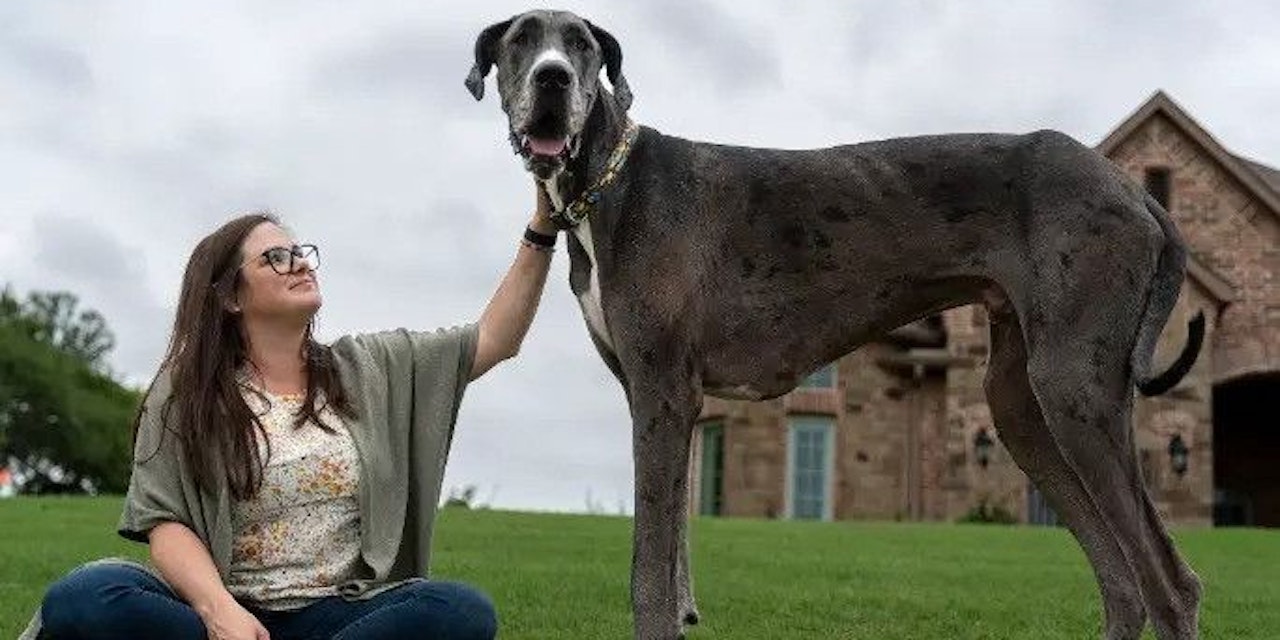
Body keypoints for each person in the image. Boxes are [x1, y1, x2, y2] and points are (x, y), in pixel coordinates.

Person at [29, 183, 559, 639]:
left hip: (340, 616)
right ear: (230, 297)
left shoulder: (370, 368)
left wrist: (542, 227)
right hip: (221, 615)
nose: (300, 263)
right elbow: (165, 522)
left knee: (460, 610)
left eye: (300, 252)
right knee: (84, 596)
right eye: (275, 258)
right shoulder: (185, 390)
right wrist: (220, 612)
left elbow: (495, 338)